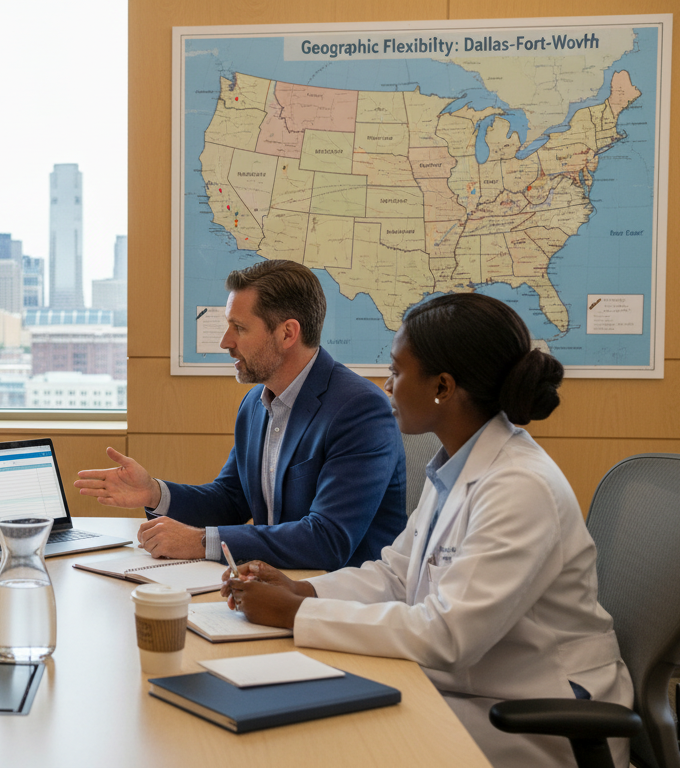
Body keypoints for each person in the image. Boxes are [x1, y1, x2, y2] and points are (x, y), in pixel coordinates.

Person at [223, 292, 632, 768]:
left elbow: (446, 636)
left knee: (331, 742)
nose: (385, 384)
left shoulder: (520, 487)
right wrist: (303, 589)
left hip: (542, 713)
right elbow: (397, 576)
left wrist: (296, 614)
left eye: (396, 371)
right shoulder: (455, 467)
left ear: (442, 385)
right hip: (472, 687)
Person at [75, 259, 405, 570]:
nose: (224, 341)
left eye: (239, 328)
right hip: (278, 586)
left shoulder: (361, 410)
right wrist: (154, 492)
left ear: (288, 333)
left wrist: (201, 541)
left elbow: (328, 539)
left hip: (343, 603)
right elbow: (230, 500)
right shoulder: (254, 405)